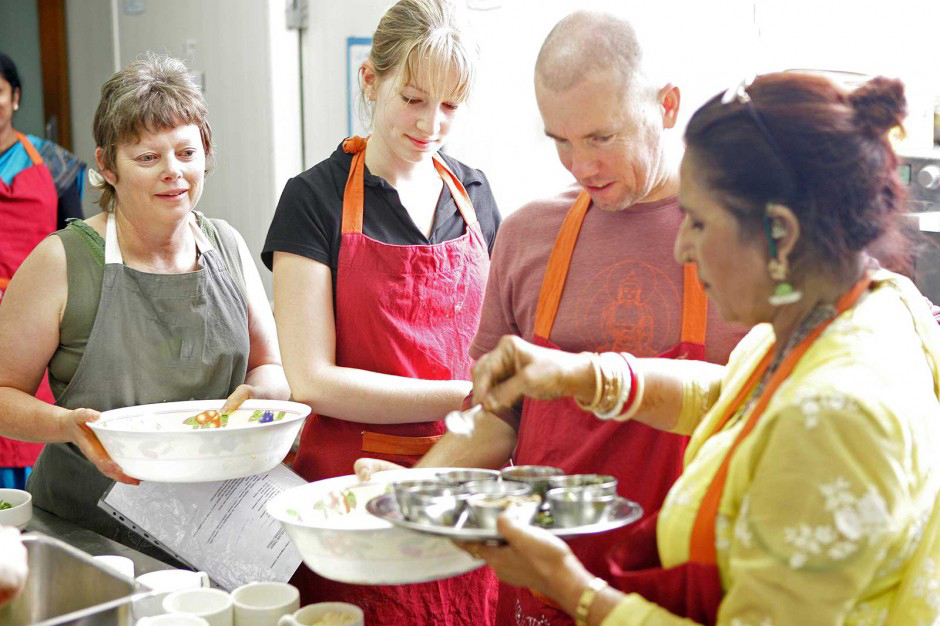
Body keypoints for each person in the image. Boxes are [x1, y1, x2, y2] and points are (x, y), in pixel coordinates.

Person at [465, 73, 940, 625]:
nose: (682, 248)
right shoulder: (857, 307)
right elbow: (730, 396)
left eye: (698, 222)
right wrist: (581, 375)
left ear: (780, 233)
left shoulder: (835, 416)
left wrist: (567, 585)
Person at [355, 12, 744, 625]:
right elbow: (495, 418)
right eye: (560, 140)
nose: (580, 166)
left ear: (667, 107)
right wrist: (412, 490)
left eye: (601, 138)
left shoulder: (739, 247)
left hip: (682, 597)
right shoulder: (529, 234)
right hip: (538, 593)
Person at [262, 0, 500, 622]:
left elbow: (499, 346)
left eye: (450, 106)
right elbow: (313, 380)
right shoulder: (311, 200)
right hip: (352, 498)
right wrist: (465, 397)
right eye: (413, 99)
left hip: (461, 491)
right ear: (370, 80)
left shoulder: (475, 193)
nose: (431, 124)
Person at [0, 54, 289, 556]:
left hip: (213, 530)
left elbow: (271, 367)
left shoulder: (227, 245)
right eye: (148, 158)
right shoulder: (62, 261)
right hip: (87, 537)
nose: (173, 172)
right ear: (107, 167)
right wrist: (65, 425)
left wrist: (259, 399)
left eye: (187, 152)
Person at [0, 51, 86, 489]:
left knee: (29, 415)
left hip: (36, 317)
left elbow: (77, 240)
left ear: (15, 97)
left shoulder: (55, 163)